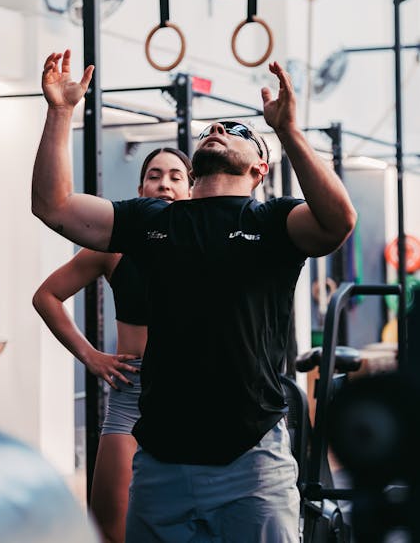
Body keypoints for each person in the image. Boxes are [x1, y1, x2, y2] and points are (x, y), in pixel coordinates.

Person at [32, 49, 357, 542]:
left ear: (260, 169)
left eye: (239, 132)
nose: (220, 131)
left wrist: (290, 132)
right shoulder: (153, 222)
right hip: (162, 464)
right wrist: (60, 112)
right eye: (212, 129)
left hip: (251, 462)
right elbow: (53, 207)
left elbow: (338, 222)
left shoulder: (270, 222)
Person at [32, 146, 193, 543]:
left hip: (191, 394)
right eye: (155, 175)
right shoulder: (114, 249)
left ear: (192, 190)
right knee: (108, 526)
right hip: (131, 393)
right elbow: (46, 296)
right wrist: (91, 357)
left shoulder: (206, 246)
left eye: (176, 176)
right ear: (140, 188)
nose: (165, 184)